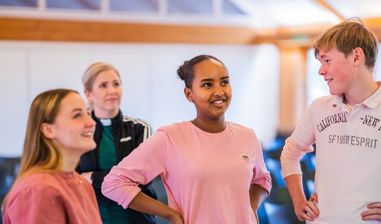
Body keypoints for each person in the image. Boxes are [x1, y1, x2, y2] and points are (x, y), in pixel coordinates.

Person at [101, 55, 272, 223]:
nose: (219, 91)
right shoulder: (170, 138)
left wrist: (250, 206)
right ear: (189, 94)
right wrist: (170, 214)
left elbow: (263, 179)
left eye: (225, 82)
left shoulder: (247, 136)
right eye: (207, 84)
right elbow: (114, 183)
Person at [281, 18, 381, 224]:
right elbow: (290, 154)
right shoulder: (318, 108)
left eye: (327, 61)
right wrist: (299, 201)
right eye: (320, 63)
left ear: (356, 57)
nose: (321, 70)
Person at [2, 89, 101, 224]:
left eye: (88, 113)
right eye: (77, 115)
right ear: (48, 130)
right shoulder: (38, 190)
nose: (91, 122)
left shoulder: (82, 184)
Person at [76, 62, 157, 224]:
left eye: (116, 84)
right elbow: (72, 179)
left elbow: (143, 179)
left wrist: (92, 177)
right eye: (103, 85)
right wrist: (122, 180)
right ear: (88, 93)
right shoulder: (79, 130)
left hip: (136, 219)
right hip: (90, 218)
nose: (112, 91)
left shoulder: (140, 128)